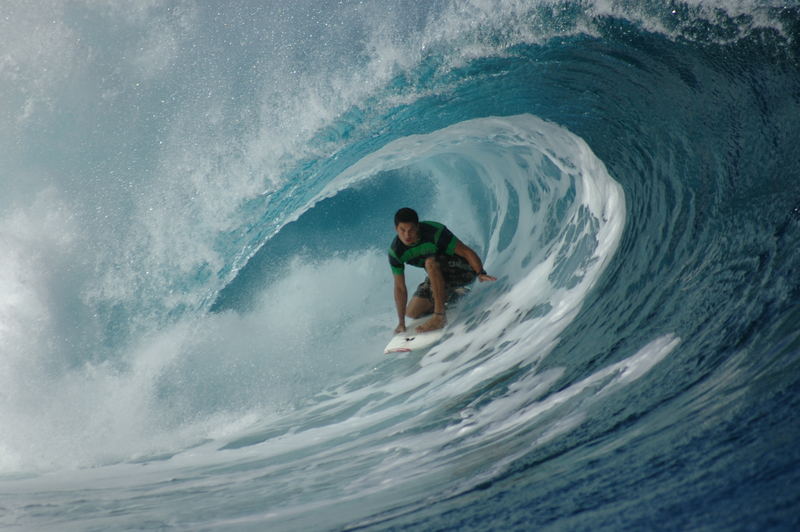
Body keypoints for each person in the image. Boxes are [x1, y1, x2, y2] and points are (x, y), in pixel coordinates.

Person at [389, 207, 496, 333]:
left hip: (463, 271)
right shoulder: (396, 252)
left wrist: (480, 273)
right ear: (396, 229)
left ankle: (439, 316)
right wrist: (401, 322)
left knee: (430, 262)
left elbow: (466, 252)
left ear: (417, 227)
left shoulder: (434, 232)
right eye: (402, 230)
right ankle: (454, 295)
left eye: (411, 230)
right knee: (413, 312)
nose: (407, 235)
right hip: (439, 276)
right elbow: (400, 288)